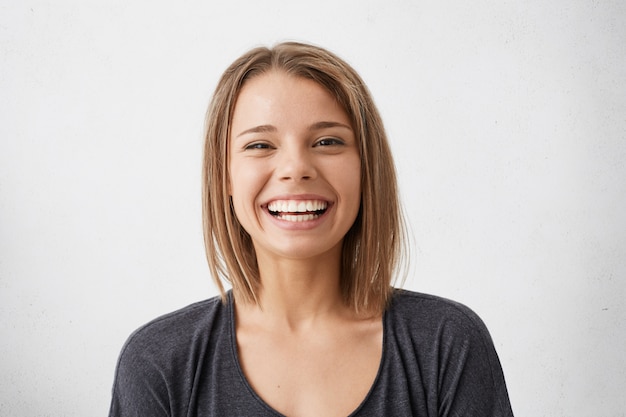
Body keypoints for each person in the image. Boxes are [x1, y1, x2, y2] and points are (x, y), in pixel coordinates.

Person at [108, 41, 514, 417]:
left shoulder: (448, 344)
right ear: (224, 177)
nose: (296, 168)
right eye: (260, 145)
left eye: (327, 142)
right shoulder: (157, 363)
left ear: (366, 168)